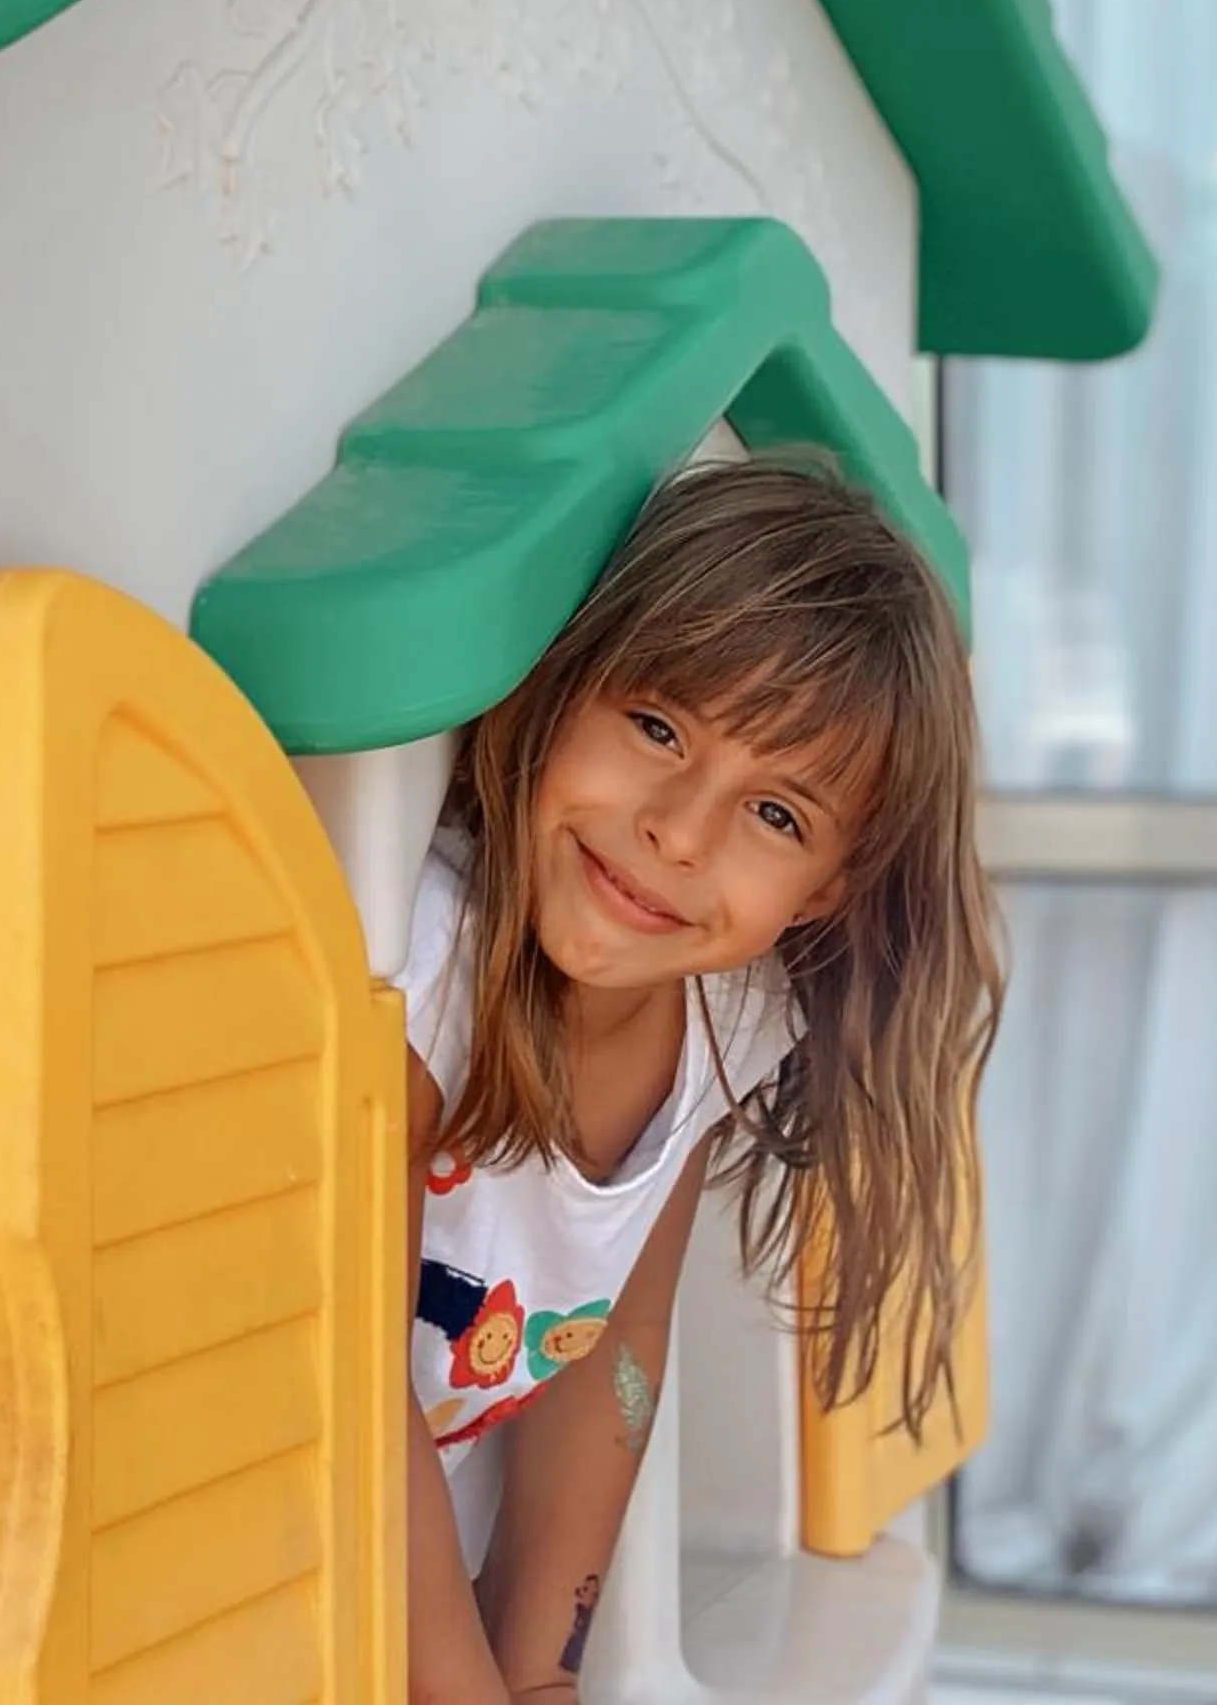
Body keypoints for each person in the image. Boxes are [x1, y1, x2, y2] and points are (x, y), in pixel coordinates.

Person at [395, 458, 1001, 1702]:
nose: (679, 830)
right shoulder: (422, 976)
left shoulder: (729, 1014)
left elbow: (616, 1338)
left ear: (827, 889)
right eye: (659, 728)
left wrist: (541, 1676)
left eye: (776, 815)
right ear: (559, 687)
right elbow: (339, 1385)